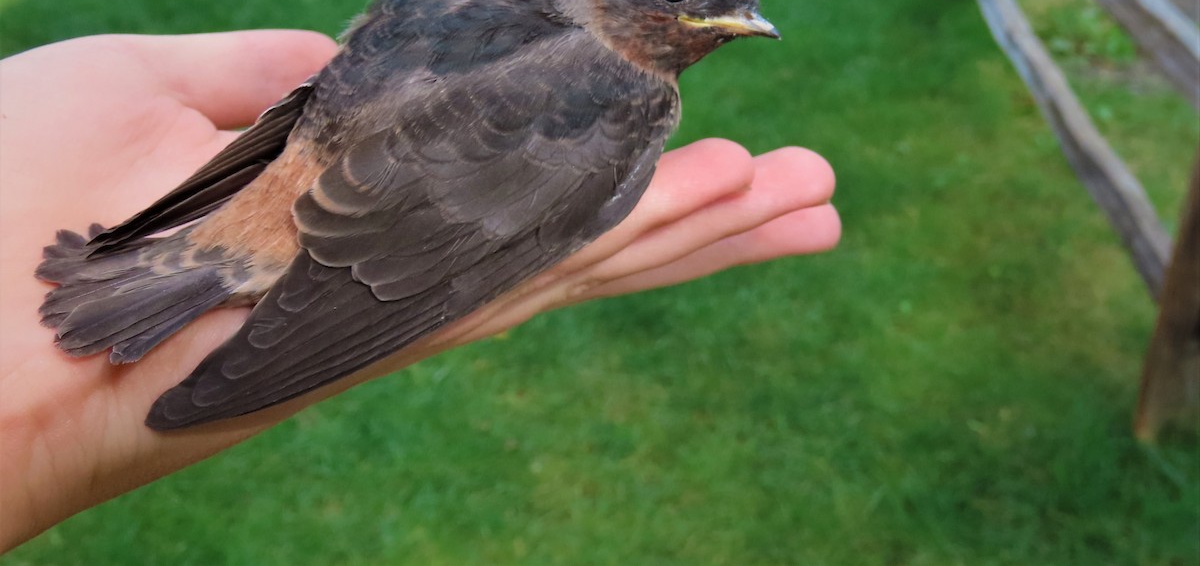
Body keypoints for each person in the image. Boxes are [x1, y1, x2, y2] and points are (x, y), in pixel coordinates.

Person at [0, 30, 840, 550]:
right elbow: (459, 235)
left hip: (343, 158)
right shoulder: (626, 97)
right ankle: (205, 265)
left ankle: (159, 265)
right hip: (379, 224)